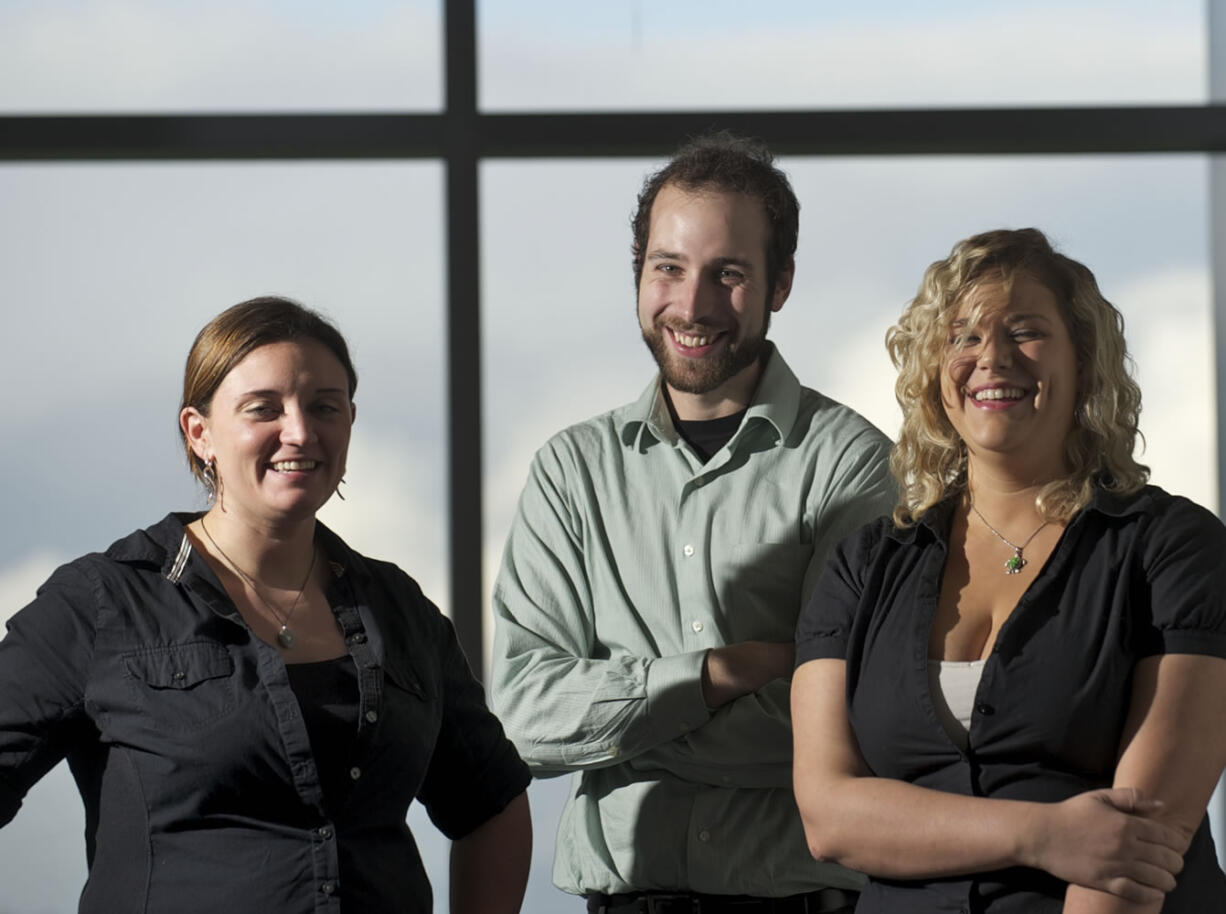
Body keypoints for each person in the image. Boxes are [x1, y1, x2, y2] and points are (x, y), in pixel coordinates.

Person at [0, 297, 532, 914]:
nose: (300, 431)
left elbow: (491, 802)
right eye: (264, 409)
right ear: (199, 433)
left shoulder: (399, 610)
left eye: (324, 407)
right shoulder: (103, 602)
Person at [490, 132, 895, 913]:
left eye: (729, 274)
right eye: (668, 268)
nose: (694, 304)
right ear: (639, 275)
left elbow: (847, 726)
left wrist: (618, 721)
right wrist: (720, 674)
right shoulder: (571, 473)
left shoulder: (852, 468)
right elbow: (521, 719)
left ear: (780, 284)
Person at [791, 227, 1226, 913]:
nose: (991, 358)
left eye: (1024, 332)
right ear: (935, 370)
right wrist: (1045, 835)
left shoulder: (1174, 547)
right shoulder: (862, 567)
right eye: (962, 337)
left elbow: (1143, 840)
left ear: (1083, 360)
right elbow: (830, 817)